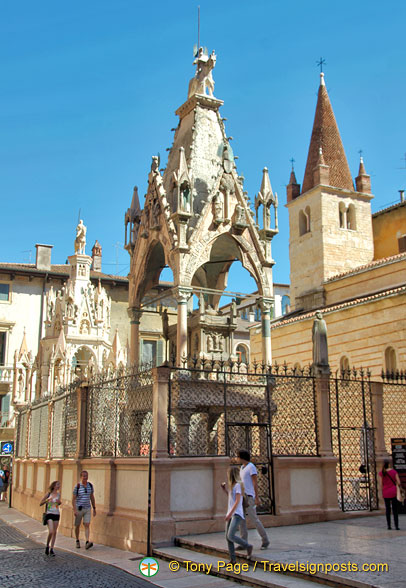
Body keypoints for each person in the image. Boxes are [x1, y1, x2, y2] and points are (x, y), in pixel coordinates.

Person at [238, 450, 270, 550]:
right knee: (241, 519)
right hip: (242, 496)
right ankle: (243, 542)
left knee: (254, 519)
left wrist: (256, 497)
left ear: (242, 457)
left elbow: (255, 482)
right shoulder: (242, 468)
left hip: (249, 496)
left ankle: (265, 540)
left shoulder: (251, 467)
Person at [221, 466, 253, 564]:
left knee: (231, 535)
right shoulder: (233, 486)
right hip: (231, 513)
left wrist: (230, 513)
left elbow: (237, 501)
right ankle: (232, 559)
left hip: (237, 514)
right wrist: (225, 490)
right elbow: (232, 498)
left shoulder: (238, 485)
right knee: (228, 537)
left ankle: (247, 546)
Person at [72, 470, 96, 549]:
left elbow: (92, 497)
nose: (85, 477)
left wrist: (94, 507)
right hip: (79, 508)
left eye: (86, 476)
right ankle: (77, 540)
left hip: (87, 508)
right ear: (81, 477)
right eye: (84, 476)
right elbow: (73, 499)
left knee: (87, 524)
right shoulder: (77, 486)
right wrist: (74, 510)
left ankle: (87, 541)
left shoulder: (90, 486)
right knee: (77, 525)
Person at [40, 481, 61, 556]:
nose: (59, 486)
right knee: (51, 531)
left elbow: (58, 503)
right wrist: (47, 500)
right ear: (54, 486)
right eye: (57, 485)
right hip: (49, 514)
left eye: (59, 485)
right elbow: (41, 503)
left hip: (56, 514)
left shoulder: (58, 494)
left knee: (55, 532)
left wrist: (59, 502)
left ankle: (52, 549)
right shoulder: (48, 494)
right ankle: (47, 545)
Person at [378, 461, 401, 530]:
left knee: (388, 509)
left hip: (386, 492)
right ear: (389, 464)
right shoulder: (394, 472)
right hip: (393, 492)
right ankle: (396, 526)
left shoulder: (381, 473)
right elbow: (399, 482)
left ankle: (389, 526)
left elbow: (381, 484)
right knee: (395, 510)